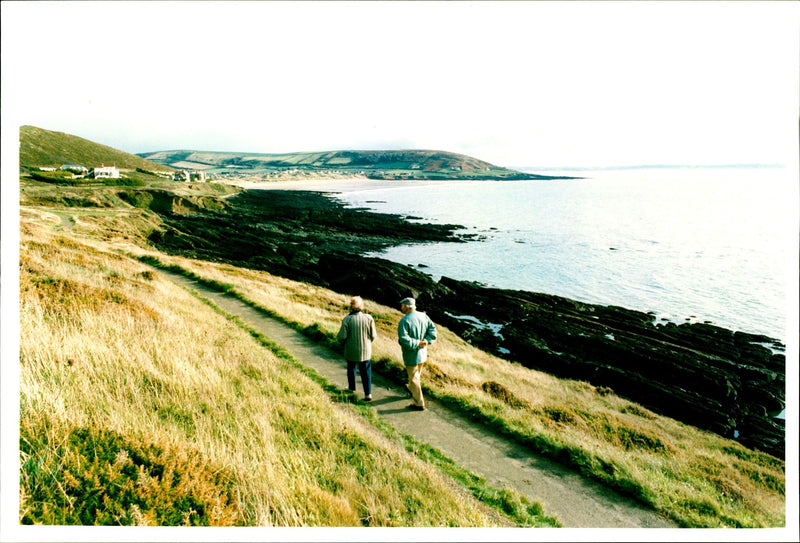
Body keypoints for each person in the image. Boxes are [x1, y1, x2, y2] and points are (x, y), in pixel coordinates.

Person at [397, 297, 437, 411]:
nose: (401, 308)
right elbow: (433, 331)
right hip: (422, 353)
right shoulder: (424, 316)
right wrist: (427, 340)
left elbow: (404, 339)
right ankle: (411, 388)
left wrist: (417, 343)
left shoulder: (404, 321)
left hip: (411, 354)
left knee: (414, 377)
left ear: (406, 306)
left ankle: (419, 403)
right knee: (417, 374)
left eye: (402, 306)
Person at [337, 296, 377, 401]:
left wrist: (344, 343)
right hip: (366, 351)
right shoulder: (369, 318)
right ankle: (368, 394)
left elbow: (341, 337)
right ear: (361, 306)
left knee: (351, 368)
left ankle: (351, 389)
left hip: (351, 349)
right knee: (366, 371)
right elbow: (373, 335)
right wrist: (367, 343)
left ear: (351, 307)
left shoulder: (347, 319)